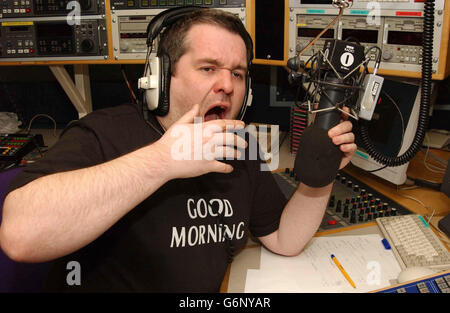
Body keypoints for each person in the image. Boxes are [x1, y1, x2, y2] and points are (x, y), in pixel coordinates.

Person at [0, 8, 356, 292]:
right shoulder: (103, 133)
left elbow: (283, 238)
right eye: (208, 68)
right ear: (159, 76)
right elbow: (21, 235)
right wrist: (162, 161)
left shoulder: (240, 145)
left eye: (238, 73)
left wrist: (321, 176)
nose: (227, 85)